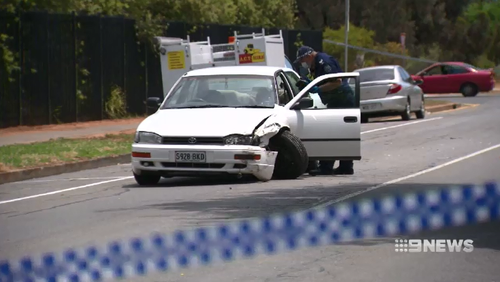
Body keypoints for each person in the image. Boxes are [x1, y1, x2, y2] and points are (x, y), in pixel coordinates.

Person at [294, 46, 355, 175]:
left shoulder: (323, 61)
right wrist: (310, 84)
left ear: (309, 55)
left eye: (302, 59)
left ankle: (326, 167)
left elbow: (336, 82)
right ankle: (345, 166)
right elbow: (325, 80)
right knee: (341, 134)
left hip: (341, 99)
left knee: (330, 133)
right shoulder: (316, 63)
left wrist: (318, 89)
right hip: (336, 99)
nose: (301, 63)